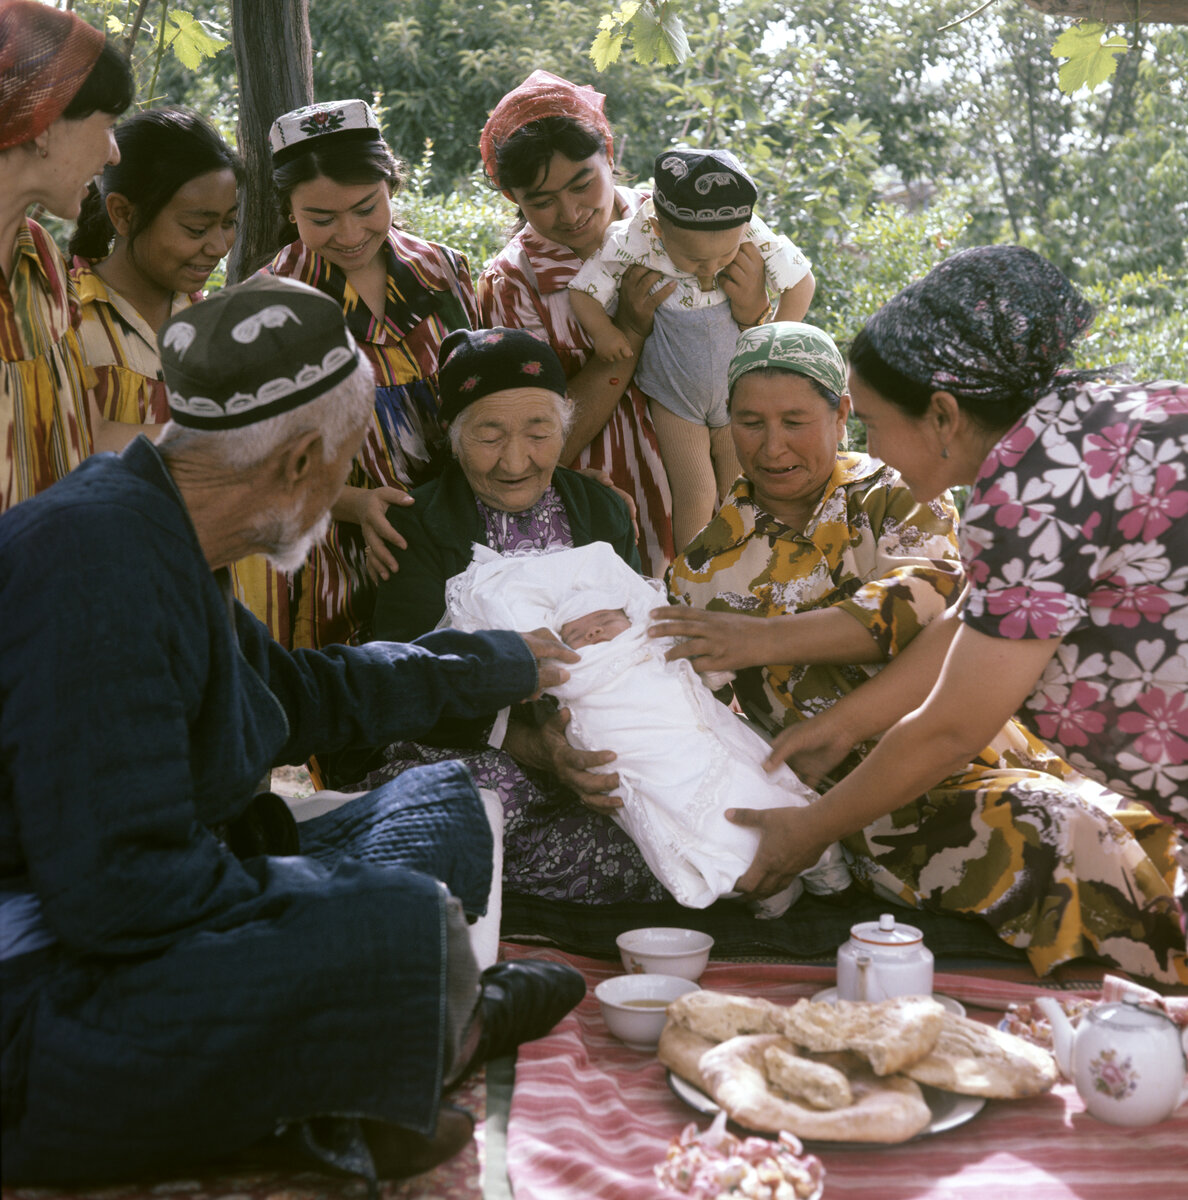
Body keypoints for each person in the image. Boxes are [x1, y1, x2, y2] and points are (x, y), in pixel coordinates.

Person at [0, 275, 587, 1188]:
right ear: (304, 459)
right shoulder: (89, 564)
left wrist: (492, 661)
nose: (347, 487)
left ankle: (394, 1038)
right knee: (394, 921)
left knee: (447, 808)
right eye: (352, 462)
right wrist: (315, 899)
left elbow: (290, 695)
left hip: (145, 903)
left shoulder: (158, 524)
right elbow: (119, 895)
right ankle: (411, 1031)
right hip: (43, 983)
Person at [658, 320, 1187, 985]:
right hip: (876, 806)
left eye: (794, 420)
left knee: (1146, 824)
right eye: (749, 422)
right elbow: (683, 712)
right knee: (1067, 831)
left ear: (842, 414)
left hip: (990, 740)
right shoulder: (703, 571)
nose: (772, 447)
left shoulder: (897, 492)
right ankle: (1143, 1010)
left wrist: (763, 639)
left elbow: (924, 600)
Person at [368, 326, 669, 903]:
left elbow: (637, 635)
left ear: (563, 430)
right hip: (476, 746)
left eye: (539, 433)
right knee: (467, 805)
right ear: (454, 439)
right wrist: (532, 745)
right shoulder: (418, 523)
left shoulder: (602, 508)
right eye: (488, 435)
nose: (515, 461)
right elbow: (400, 676)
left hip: (605, 734)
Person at [442, 540, 851, 915]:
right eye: (577, 634)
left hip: (692, 740)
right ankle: (754, 883)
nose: (594, 632)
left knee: (758, 787)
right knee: (705, 827)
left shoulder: (654, 644)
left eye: (603, 620)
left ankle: (822, 865)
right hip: (643, 757)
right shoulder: (576, 672)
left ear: (632, 619)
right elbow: (548, 683)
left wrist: (703, 671)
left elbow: (706, 675)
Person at [478, 69, 741, 574]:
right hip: (611, 514)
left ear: (610, 158)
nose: (571, 212)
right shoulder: (514, 284)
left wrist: (753, 306)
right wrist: (630, 331)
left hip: (724, 478)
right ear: (513, 199)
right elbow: (539, 441)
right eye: (541, 200)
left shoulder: (682, 222)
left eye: (583, 183)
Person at [258, 97, 478, 649]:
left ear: (391, 186)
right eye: (321, 218)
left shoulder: (443, 272)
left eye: (365, 207)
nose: (350, 233)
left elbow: (488, 395)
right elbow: (257, 458)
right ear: (289, 210)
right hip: (338, 556)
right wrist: (355, 505)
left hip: (467, 535)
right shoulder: (268, 308)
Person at [569, 147, 814, 549]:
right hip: (675, 398)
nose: (710, 268)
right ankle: (692, 579)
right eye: (696, 258)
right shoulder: (638, 236)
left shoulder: (748, 229)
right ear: (662, 229)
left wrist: (774, 340)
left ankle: (746, 574)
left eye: (724, 254)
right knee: (697, 492)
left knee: (744, 488)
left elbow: (801, 282)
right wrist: (604, 332)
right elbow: (583, 290)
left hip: (738, 393)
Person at [0, 1, 131, 513]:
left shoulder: (44, 261)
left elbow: (85, 430)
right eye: (110, 123)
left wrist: (233, 436)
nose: (114, 152)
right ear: (45, 122)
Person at [68, 106, 242, 451]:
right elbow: (67, 445)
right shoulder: (64, 317)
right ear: (123, 214)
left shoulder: (210, 324)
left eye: (228, 223)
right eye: (197, 228)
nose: (220, 246)